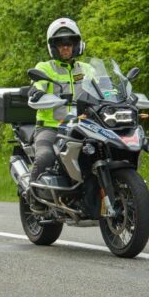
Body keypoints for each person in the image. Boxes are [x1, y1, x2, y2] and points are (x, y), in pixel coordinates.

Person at [28, 18, 92, 185]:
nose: (65, 46)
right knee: (45, 157)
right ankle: (33, 196)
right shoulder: (45, 68)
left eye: (69, 42)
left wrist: (117, 93)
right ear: (53, 47)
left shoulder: (87, 69)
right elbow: (38, 84)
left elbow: (105, 89)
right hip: (51, 127)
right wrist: (37, 91)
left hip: (83, 126)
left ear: (76, 44)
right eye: (60, 43)